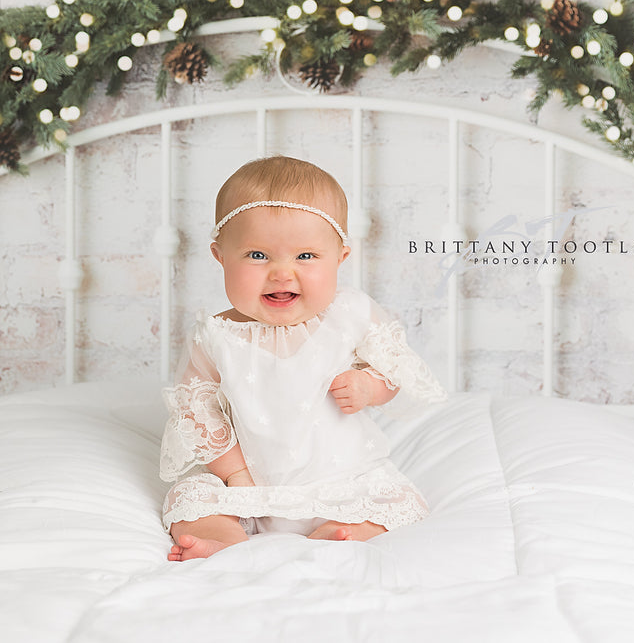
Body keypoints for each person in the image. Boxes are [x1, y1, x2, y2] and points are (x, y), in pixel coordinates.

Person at [160, 155, 446, 561]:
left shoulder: (350, 314)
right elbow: (196, 412)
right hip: (247, 486)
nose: (282, 273)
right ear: (220, 256)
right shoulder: (216, 335)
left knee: (398, 502)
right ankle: (223, 540)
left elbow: (394, 369)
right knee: (190, 500)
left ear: (340, 258)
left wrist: (369, 386)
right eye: (257, 255)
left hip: (342, 483)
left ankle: (341, 532)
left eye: (306, 257)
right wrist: (235, 475)